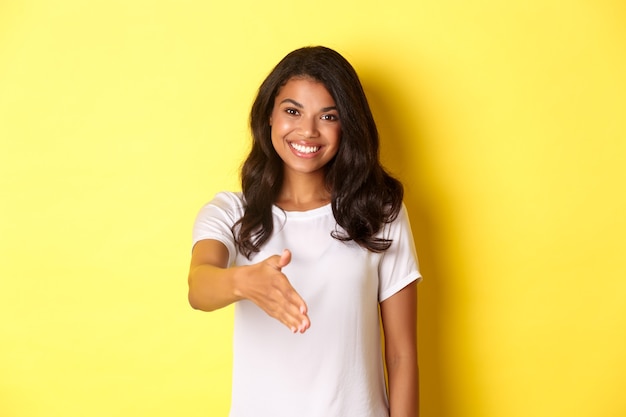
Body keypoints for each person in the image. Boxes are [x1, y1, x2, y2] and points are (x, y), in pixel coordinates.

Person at [188, 46, 422, 417]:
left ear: (347, 125)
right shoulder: (232, 212)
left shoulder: (380, 212)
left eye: (328, 116)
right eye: (292, 111)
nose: (307, 131)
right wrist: (244, 282)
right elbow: (198, 287)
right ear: (269, 115)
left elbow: (401, 354)